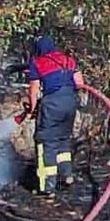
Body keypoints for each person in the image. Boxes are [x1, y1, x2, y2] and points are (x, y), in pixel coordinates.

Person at [25, 34, 86, 195]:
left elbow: (33, 89)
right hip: (70, 103)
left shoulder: (37, 63)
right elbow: (80, 84)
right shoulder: (68, 59)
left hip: (52, 105)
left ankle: (47, 187)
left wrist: (31, 109)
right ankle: (66, 176)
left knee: (47, 142)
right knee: (63, 139)